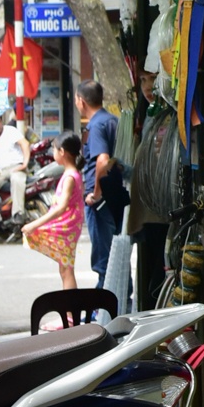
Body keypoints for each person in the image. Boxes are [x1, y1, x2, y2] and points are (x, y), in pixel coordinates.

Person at [76, 79, 127, 288]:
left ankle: (105, 301)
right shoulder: (113, 120)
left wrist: (96, 193)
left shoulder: (96, 125)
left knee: (104, 260)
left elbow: (103, 160)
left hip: (102, 201)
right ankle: (122, 297)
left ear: (81, 101)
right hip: (117, 195)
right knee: (117, 256)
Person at [22, 133, 84, 290]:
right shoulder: (72, 174)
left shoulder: (70, 177)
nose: (53, 153)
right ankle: (70, 304)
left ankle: (70, 305)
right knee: (65, 269)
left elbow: (61, 207)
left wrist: (35, 224)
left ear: (62, 152)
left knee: (67, 270)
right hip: (70, 224)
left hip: (67, 226)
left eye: (55, 150)